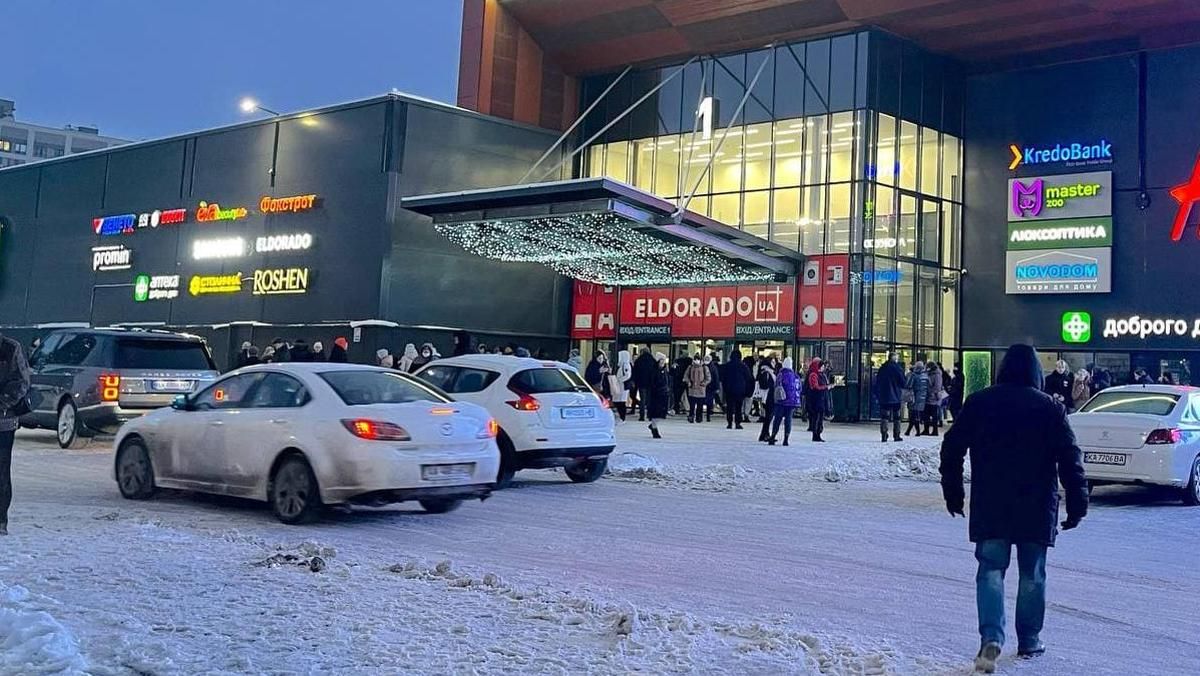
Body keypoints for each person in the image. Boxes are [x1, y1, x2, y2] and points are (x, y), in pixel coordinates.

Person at [940, 344, 1087, 672]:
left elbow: (952, 448)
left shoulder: (980, 402)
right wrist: (1077, 503)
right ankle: (1030, 639)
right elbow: (1070, 457)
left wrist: (953, 491)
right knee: (1032, 573)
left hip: (991, 502)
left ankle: (991, 637)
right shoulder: (1049, 408)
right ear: (1036, 372)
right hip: (1036, 504)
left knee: (990, 569)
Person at [0, 330, 32, 535]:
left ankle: (0, 520)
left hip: (3, 422)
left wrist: (2, 402)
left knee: (1, 472)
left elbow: (21, 382)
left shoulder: (10, 348)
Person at [768, 358, 801, 446]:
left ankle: (773, 436)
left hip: (781, 401)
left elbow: (776, 385)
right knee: (788, 420)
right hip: (791, 402)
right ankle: (786, 439)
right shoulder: (795, 376)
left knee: (777, 419)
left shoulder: (781, 374)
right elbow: (799, 388)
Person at [875, 352, 906, 442]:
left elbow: (877, 382)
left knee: (884, 417)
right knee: (897, 417)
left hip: (884, 396)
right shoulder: (898, 369)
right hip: (896, 396)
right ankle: (896, 435)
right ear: (895, 359)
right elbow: (903, 382)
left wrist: (878, 394)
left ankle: (884, 434)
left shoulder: (882, 368)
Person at [721, 350, 753, 430]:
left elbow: (722, 378)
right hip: (740, 390)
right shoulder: (743, 366)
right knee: (738, 407)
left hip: (729, 390)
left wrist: (725, 387)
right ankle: (738, 423)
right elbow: (748, 378)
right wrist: (747, 390)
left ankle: (729, 423)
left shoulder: (727, 366)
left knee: (729, 407)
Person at [647, 353, 672, 439]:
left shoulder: (665, 370)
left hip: (663, 394)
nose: (663, 362)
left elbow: (667, 380)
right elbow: (653, 382)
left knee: (661, 414)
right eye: (661, 360)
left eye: (664, 360)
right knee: (656, 413)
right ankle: (654, 429)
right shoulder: (654, 370)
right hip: (656, 395)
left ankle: (653, 426)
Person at [805, 358, 829, 442]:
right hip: (815, 399)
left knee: (820, 417)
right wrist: (826, 387)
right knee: (816, 417)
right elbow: (815, 387)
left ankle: (818, 433)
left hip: (821, 399)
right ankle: (815, 434)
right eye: (822, 366)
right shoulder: (813, 375)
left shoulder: (821, 375)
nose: (823, 368)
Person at [904, 362, 930, 437]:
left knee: (913, 414)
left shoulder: (914, 375)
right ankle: (908, 431)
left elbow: (909, 385)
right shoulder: (925, 376)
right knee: (916, 414)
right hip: (923, 398)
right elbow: (929, 386)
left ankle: (916, 431)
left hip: (914, 397)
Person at [683, 355, 710, 424]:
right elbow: (686, 376)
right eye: (695, 360)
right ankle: (691, 416)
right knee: (692, 405)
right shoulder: (690, 367)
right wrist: (688, 382)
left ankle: (699, 417)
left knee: (700, 405)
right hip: (692, 389)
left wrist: (704, 383)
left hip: (701, 389)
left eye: (697, 359)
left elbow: (708, 377)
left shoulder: (704, 367)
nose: (696, 361)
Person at [633, 348, 657, 422]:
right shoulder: (653, 360)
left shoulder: (639, 361)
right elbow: (655, 372)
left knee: (642, 400)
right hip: (650, 383)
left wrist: (635, 382)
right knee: (649, 400)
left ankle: (642, 416)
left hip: (641, 383)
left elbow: (635, 372)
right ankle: (649, 415)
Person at [756, 359, 777, 442]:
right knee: (768, 417)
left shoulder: (769, 372)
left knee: (768, 417)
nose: (774, 363)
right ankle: (765, 434)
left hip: (768, 397)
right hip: (768, 397)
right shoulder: (766, 372)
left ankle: (764, 434)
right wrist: (771, 386)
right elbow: (764, 385)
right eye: (773, 362)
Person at [610, 350, 633, 421]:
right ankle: (621, 416)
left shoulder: (625, 365)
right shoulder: (622, 365)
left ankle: (622, 417)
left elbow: (627, 375)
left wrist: (619, 380)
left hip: (622, 386)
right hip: (620, 386)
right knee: (619, 401)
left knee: (621, 402)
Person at [925, 360, 945, 437]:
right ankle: (926, 429)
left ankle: (935, 430)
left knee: (934, 415)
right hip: (929, 396)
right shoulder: (929, 374)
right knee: (927, 414)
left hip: (934, 397)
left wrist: (931, 392)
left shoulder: (937, 375)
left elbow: (937, 387)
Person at [704, 354, 721, 422]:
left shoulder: (710, 367)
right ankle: (708, 414)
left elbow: (716, 378)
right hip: (709, 386)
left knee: (708, 401)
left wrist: (717, 387)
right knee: (709, 401)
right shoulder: (713, 367)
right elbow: (716, 378)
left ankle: (707, 414)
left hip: (708, 386)